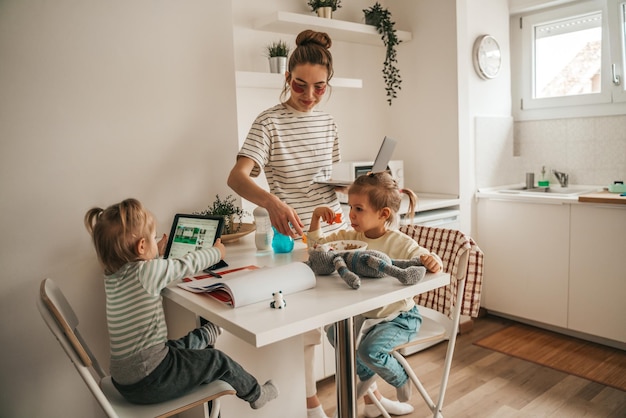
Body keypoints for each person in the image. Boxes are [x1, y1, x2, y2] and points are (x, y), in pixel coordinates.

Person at [227, 29, 347, 418]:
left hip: (333, 233)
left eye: (319, 87)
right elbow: (237, 177)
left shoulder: (328, 123)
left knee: (352, 319)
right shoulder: (269, 123)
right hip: (295, 242)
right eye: (300, 85)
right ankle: (312, 405)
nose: (309, 95)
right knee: (308, 330)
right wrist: (272, 201)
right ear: (286, 78)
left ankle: (365, 395)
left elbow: (327, 176)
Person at [84, 198, 278, 410]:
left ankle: (207, 334)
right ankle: (256, 394)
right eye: (151, 237)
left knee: (173, 348)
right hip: (151, 380)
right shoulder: (146, 273)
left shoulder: (111, 277)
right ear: (141, 247)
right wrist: (216, 252)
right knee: (217, 360)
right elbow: (185, 264)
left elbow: (141, 268)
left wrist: (153, 252)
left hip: (125, 380)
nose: (154, 240)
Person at [308, 172, 443, 418]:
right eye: (350, 207)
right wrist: (316, 218)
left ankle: (400, 378)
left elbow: (426, 259)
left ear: (383, 215)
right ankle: (368, 379)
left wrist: (432, 261)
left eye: (359, 209)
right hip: (367, 317)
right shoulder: (350, 238)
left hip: (399, 317)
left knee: (368, 351)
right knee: (335, 334)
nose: (351, 215)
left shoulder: (399, 242)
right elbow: (318, 250)